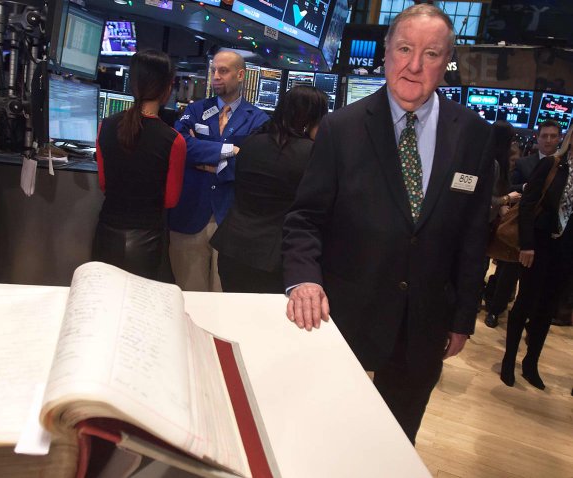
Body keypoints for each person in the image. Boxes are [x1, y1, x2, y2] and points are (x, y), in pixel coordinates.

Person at [281, 4, 493, 444]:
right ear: (385, 52)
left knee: (397, 441)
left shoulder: (472, 132)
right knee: (329, 434)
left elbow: (473, 233)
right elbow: (305, 218)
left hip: (424, 325)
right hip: (344, 316)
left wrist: (463, 317)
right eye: (404, 49)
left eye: (431, 54)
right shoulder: (341, 128)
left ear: (446, 62)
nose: (414, 66)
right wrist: (303, 279)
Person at [210, 86, 328, 293]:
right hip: (273, 259)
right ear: (312, 118)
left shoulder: (251, 143)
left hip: (232, 250)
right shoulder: (312, 153)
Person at [169, 50, 269, 291]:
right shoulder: (194, 111)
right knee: (188, 298)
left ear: (241, 75)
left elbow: (251, 165)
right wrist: (229, 151)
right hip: (190, 215)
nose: (216, 76)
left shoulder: (259, 120)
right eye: (214, 70)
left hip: (230, 220)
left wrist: (207, 162)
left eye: (223, 71)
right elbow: (182, 147)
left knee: (222, 300)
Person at [93, 49, 185, 280]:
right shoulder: (174, 140)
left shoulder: (106, 126)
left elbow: (103, 183)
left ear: (133, 83)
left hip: (106, 235)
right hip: (148, 241)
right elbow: (170, 199)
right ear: (168, 87)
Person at [500, 127, 573, 390]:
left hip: (566, 252)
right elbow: (528, 204)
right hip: (539, 246)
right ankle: (509, 360)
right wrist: (527, 244)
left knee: (547, 309)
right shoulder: (554, 164)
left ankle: (531, 363)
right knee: (525, 303)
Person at [484, 121, 521, 328]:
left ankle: (487, 303)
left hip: (493, 220)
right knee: (483, 264)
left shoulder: (501, 160)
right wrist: (506, 200)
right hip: (487, 220)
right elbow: (488, 198)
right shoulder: (494, 163)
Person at [510, 120, 561, 194]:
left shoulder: (566, 164)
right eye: (544, 136)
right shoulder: (522, 163)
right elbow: (509, 187)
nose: (548, 140)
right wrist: (525, 187)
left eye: (553, 136)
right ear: (538, 138)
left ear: (560, 138)